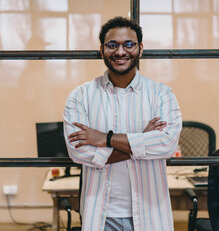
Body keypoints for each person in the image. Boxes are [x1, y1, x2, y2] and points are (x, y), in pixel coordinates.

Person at [63, 16, 182, 231]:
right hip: (101, 216)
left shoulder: (161, 94)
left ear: (140, 48)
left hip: (150, 215)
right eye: (112, 45)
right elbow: (78, 152)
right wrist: (142, 140)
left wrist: (105, 139)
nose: (120, 52)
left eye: (128, 44)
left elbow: (166, 145)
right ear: (102, 50)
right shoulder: (80, 97)